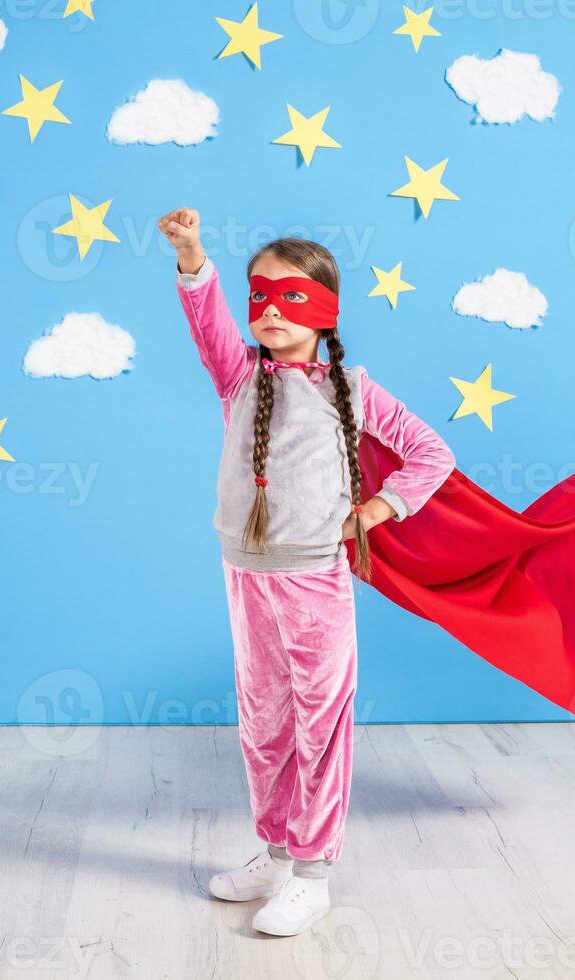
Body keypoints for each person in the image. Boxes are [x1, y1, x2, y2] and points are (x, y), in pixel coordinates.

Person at [158, 207, 456, 937]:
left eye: (289, 297)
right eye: (259, 297)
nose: (268, 312)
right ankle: (276, 853)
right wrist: (194, 255)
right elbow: (208, 328)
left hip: (314, 581)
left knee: (320, 725)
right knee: (263, 723)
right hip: (245, 574)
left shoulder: (350, 387)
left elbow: (430, 454)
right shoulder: (239, 376)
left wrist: (376, 511)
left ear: (325, 309)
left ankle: (315, 873)